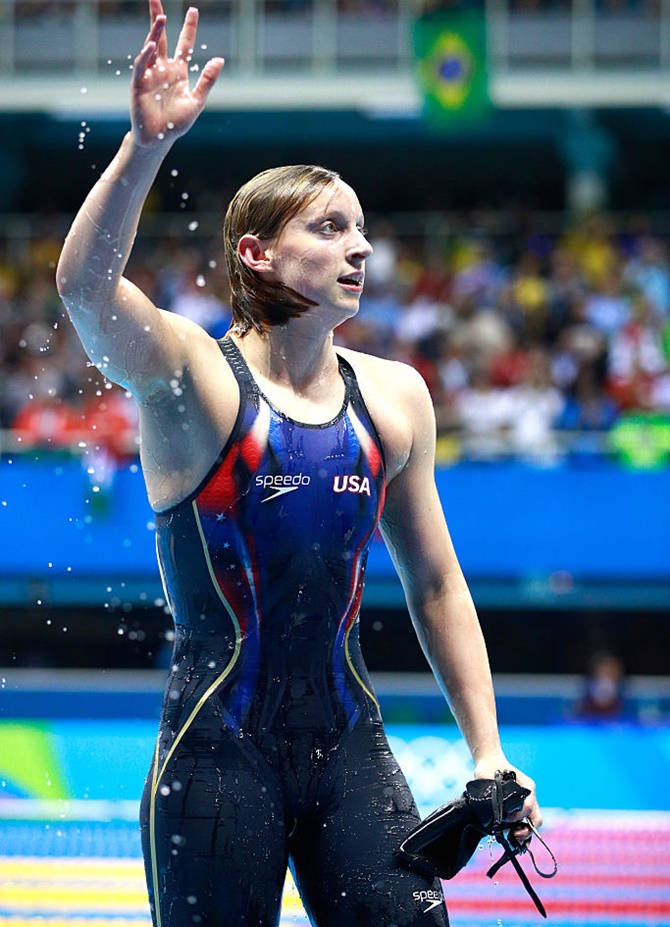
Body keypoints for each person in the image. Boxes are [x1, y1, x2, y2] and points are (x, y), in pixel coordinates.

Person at [56, 3, 542, 924]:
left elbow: (436, 583)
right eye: (329, 228)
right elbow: (83, 289)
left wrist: (488, 750)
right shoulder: (195, 378)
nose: (360, 245)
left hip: (351, 753)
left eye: (361, 228)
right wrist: (145, 147)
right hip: (215, 758)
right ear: (258, 253)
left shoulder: (395, 397)